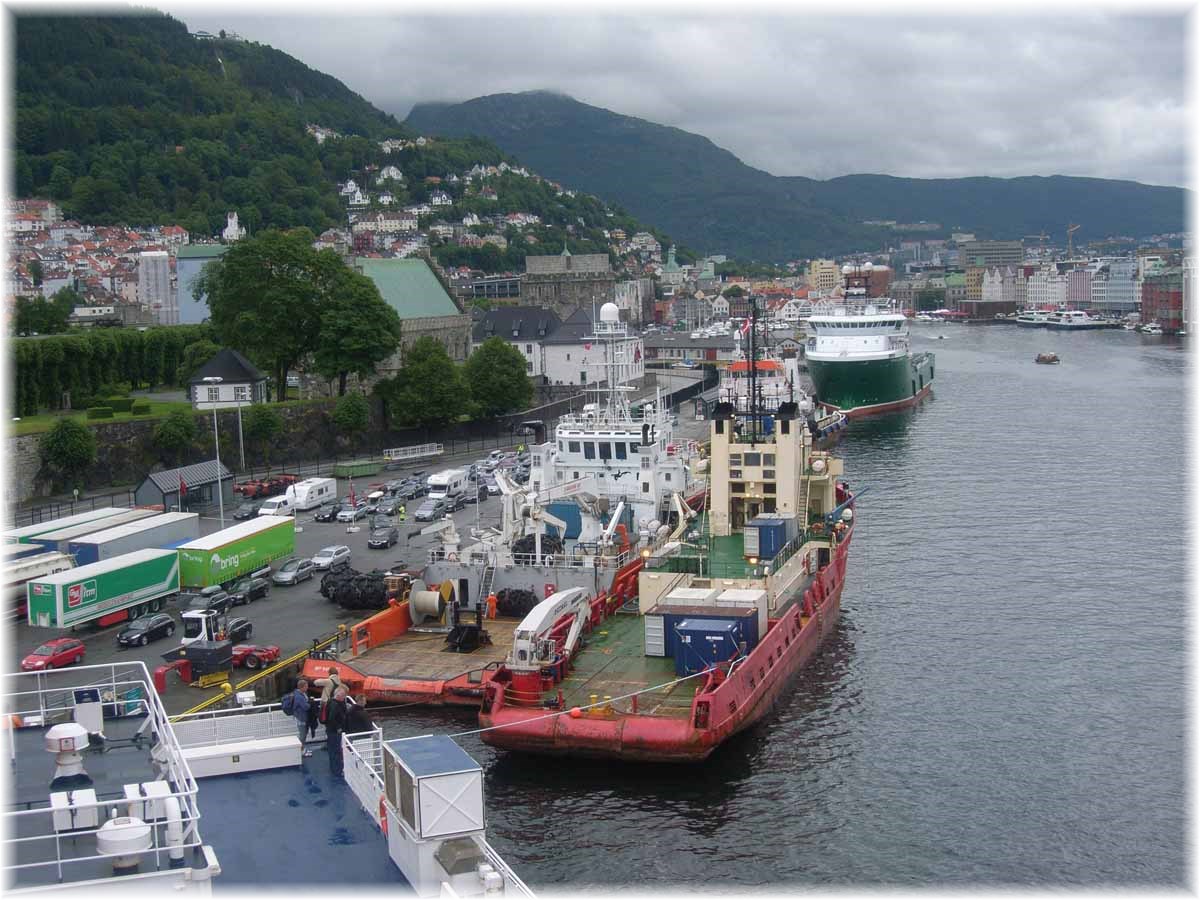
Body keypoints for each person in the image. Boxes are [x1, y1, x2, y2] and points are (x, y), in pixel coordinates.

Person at [324, 686, 349, 778]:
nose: (344, 698)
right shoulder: (335, 705)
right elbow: (331, 718)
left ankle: (333, 768)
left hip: (330, 731)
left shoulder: (330, 702)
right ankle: (337, 771)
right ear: (339, 695)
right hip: (334, 732)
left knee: (332, 750)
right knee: (336, 751)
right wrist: (338, 727)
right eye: (343, 696)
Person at [286, 678, 313, 757]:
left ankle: (302, 749)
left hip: (300, 717)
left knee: (303, 734)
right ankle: (301, 751)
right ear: (302, 687)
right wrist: (310, 703)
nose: (307, 688)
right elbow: (306, 707)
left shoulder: (298, 694)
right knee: (302, 735)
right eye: (306, 686)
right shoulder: (299, 697)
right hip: (301, 718)